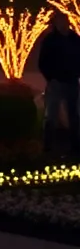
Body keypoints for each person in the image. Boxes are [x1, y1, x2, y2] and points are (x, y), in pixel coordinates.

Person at [38, 12, 80, 154]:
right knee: (51, 116)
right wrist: (51, 78)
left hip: (72, 81)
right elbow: (42, 62)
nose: (62, 24)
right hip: (56, 82)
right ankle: (48, 148)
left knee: (74, 115)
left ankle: (75, 147)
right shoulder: (50, 40)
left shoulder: (75, 39)